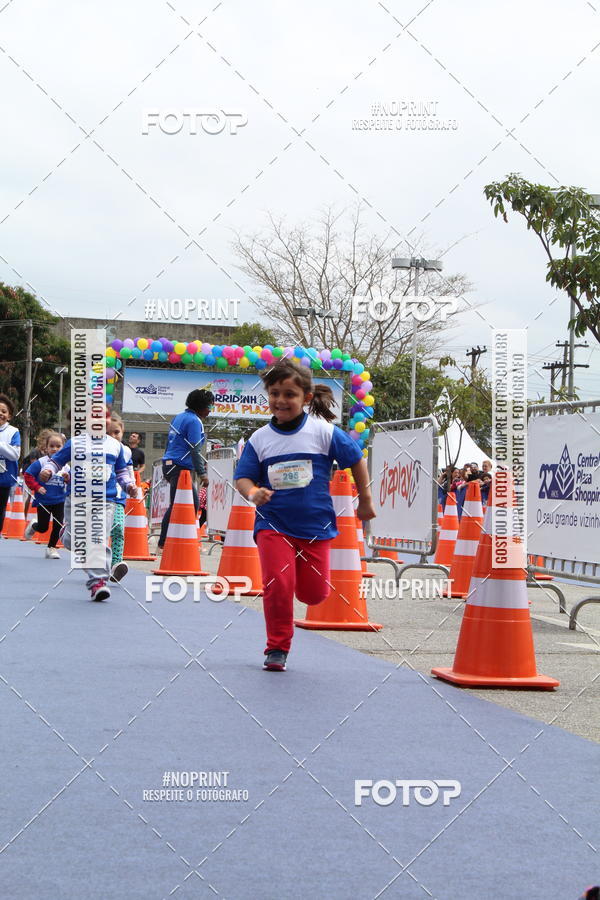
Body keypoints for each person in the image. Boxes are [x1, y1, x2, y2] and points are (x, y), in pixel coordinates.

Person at [234, 359, 376, 672]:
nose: (280, 400)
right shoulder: (260, 439)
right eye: (274, 393)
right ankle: (277, 647)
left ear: (306, 398)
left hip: (315, 526)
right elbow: (242, 478)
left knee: (314, 594)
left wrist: (364, 500)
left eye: (289, 394)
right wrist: (253, 493)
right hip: (273, 524)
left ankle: (300, 585)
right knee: (277, 584)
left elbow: (356, 459)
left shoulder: (323, 432)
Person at [39, 409, 136, 601]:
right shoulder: (75, 443)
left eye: (105, 418)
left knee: (99, 539)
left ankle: (98, 582)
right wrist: (48, 470)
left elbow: (122, 472)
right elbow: (56, 462)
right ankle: (64, 534)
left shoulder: (115, 446)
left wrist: (129, 485)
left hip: (105, 501)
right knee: (72, 541)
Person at [158, 389, 214, 550]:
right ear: (201, 406)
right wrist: (203, 474)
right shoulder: (195, 421)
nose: (211, 409)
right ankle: (168, 543)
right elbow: (194, 450)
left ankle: (173, 541)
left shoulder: (178, 417)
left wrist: (166, 462)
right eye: (210, 405)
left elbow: (169, 443)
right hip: (180, 467)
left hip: (169, 464)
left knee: (180, 503)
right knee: (188, 504)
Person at [23, 432, 68, 558]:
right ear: (46, 448)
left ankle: (51, 548)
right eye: (52, 446)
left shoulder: (65, 466)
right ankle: (34, 525)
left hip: (60, 499)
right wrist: (37, 487)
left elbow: (71, 482)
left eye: (58, 446)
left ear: (63, 448)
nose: (55, 449)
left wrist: (67, 478)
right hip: (44, 500)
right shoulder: (41, 463)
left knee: (58, 525)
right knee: (43, 527)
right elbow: (28, 475)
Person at [107, 414, 134, 582]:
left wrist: (132, 487)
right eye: (108, 433)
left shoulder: (126, 451)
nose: (113, 436)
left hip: (118, 497)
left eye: (116, 432)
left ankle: (116, 566)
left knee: (118, 528)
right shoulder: (96, 449)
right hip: (98, 496)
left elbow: (128, 472)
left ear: (122, 432)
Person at [0, 394, 20, 533]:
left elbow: (15, 455)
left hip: (4, 478)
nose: (0, 414)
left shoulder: (13, 432)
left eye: (4, 411)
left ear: (9, 416)